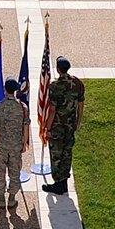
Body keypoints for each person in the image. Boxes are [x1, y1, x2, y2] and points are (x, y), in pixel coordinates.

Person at [41, 57, 84, 194]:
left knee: (56, 155)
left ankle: (58, 183)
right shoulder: (77, 83)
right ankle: (64, 182)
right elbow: (80, 104)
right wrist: (78, 121)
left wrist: (47, 128)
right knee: (67, 153)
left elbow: (52, 110)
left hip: (58, 127)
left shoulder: (54, 86)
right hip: (70, 125)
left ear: (58, 69)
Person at [0, 78, 28, 212]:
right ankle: (12, 198)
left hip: (1, 146)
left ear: (5, 89)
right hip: (16, 146)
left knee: (0, 172)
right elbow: (26, 126)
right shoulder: (23, 107)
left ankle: (0, 197)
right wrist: (24, 143)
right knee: (15, 172)